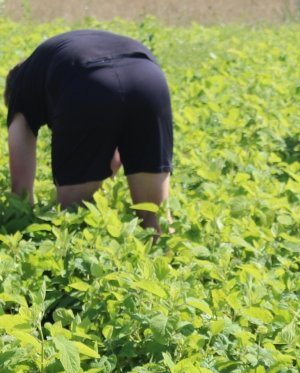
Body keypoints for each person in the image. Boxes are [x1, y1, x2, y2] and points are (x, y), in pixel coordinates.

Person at [4, 29, 174, 235]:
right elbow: (114, 147)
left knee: (74, 219)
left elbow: (21, 187)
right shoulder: (50, 60)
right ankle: (166, 251)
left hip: (85, 81)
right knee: (154, 218)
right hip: (148, 77)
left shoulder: (21, 87)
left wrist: (26, 221)